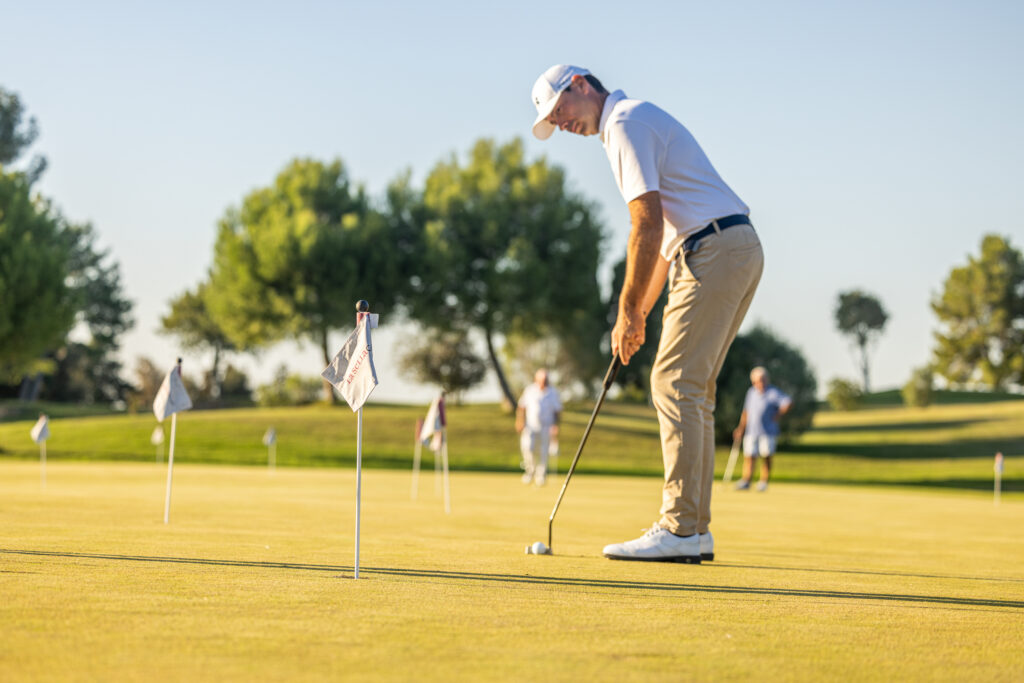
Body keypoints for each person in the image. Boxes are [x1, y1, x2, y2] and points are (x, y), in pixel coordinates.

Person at [530, 65, 764, 563]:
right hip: (729, 245)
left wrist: (627, 310)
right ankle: (692, 529)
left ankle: (680, 528)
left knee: (673, 381)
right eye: (552, 120)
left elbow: (647, 223)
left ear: (579, 84)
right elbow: (661, 246)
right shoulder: (630, 121)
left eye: (560, 110)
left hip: (714, 248)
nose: (562, 123)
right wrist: (638, 315)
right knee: (692, 387)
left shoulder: (624, 122)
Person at [732, 367, 792, 492]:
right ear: (753, 381)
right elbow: (746, 412)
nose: (762, 382)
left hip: (767, 431)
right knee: (749, 456)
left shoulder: (773, 392)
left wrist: (778, 415)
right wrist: (740, 428)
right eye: (759, 380)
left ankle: (763, 482)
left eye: (764, 379)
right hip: (751, 430)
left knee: (767, 456)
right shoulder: (751, 392)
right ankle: (746, 481)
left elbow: (787, 402)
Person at [515, 368, 562, 486]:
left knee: (543, 451)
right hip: (530, 425)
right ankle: (530, 471)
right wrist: (520, 421)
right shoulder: (530, 390)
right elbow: (522, 407)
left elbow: (557, 412)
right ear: (536, 379)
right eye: (542, 380)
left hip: (546, 426)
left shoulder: (553, 393)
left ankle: (541, 475)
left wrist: (556, 426)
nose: (544, 382)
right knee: (527, 448)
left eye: (546, 380)